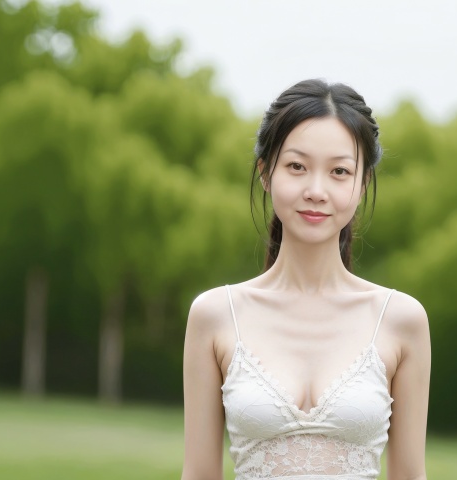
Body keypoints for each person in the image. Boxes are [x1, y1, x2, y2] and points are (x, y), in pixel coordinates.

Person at [181, 79, 430, 480]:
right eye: (297, 166)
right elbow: (198, 474)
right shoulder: (215, 315)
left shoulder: (401, 319)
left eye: (339, 171)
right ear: (266, 173)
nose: (316, 190)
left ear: (362, 183)